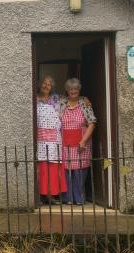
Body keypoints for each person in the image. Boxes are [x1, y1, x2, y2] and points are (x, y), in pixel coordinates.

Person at [59, 78, 96, 205]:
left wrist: (84, 141)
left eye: (76, 89)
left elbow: (92, 123)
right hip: (65, 144)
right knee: (66, 171)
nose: (73, 91)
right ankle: (67, 198)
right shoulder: (61, 102)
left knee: (80, 171)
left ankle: (79, 199)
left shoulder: (84, 104)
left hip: (81, 142)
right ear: (67, 91)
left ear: (79, 90)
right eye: (71, 89)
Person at [35, 76, 65, 205]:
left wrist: (83, 98)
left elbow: (73, 97)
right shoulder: (34, 98)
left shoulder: (56, 99)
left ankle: (51, 196)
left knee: (52, 168)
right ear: (40, 85)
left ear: (52, 88)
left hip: (53, 140)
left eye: (49, 84)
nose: (46, 86)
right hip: (40, 139)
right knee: (41, 167)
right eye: (44, 83)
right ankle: (40, 196)